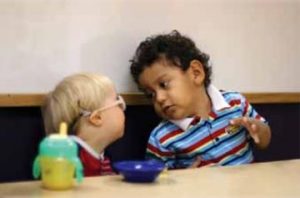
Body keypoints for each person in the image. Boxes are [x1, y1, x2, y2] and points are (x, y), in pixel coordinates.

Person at [129, 30, 271, 169]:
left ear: (196, 73)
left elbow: (264, 141)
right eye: (151, 94)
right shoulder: (161, 138)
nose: (159, 98)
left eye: (164, 84)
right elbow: (158, 186)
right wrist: (187, 180)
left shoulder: (235, 102)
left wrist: (259, 130)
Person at [43, 72, 126, 176]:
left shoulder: (99, 155)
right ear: (97, 117)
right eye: (117, 101)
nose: (123, 108)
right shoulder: (71, 157)